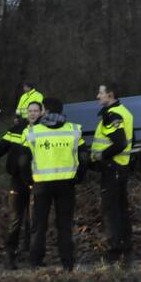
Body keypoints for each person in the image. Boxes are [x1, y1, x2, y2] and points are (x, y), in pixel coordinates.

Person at [24, 97, 83, 271]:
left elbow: (22, 160)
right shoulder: (74, 129)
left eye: (41, 109)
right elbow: (84, 156)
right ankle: (67, 264)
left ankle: (35, 262)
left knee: (39, 225)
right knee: (64, 225)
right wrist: (79, 177)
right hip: (66, 184)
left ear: (46, 111)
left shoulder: (33, 131)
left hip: (41, 185)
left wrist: (29, 180)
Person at [0, 100, 42, 269]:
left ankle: (34, 256)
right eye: (30, 111)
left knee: (35, 220)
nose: (32, 113)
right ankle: (10, 256)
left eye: (36, 111)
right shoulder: (15, 130)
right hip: (18, 180)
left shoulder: (45, 131)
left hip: (38, 180)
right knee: (15, 219)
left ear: (41, 113)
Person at [91, 82, 133, 266]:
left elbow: (120, 142)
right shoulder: (125, 112)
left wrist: (101, 155)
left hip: (111, 168)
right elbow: (131, 141)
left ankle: (115, 252)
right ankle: (126, 250)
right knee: (121, 210)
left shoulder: (112, 115)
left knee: (111, 212)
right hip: (121, 168)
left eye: (100, 93)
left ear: (110, 94)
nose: (97, 96)